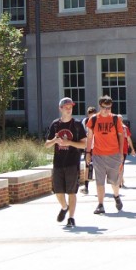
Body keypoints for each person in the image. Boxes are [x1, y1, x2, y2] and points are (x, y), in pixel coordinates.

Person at [45, 97, 87, 228]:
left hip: (72, 163)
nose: (69, 109)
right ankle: (64, 207)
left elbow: (84, 145)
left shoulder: (77, 124)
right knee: (58, 192)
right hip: (58, 163)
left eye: (71, 107)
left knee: (72, 192)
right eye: (66, 107)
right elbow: (46, 144)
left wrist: (69, 143)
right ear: (61, 108)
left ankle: (71, 218)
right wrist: (54, 141)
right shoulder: (55, 124)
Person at [85, 96, 129, 214]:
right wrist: (88, 152)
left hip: (113, 154)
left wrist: (120, 153)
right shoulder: (93, 119)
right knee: (100, 181)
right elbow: (90, 137)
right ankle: (100, 204)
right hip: (98, 154)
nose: (106, 110)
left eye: (108, 108)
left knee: (114, 181)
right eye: (104, 108)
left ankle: (116, 196)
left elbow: (121, 136)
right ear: (100, 106)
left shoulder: (115, 119)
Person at [80, 105, 96, 195]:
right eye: (90, 115)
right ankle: (86, 187)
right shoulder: (85, 121)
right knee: (88, 166)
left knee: (97, 167)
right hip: (88, 147)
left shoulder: (98, 121)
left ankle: (99, 186)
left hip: (97, 147)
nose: (91, 117)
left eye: (93, 115)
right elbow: (83, 133)